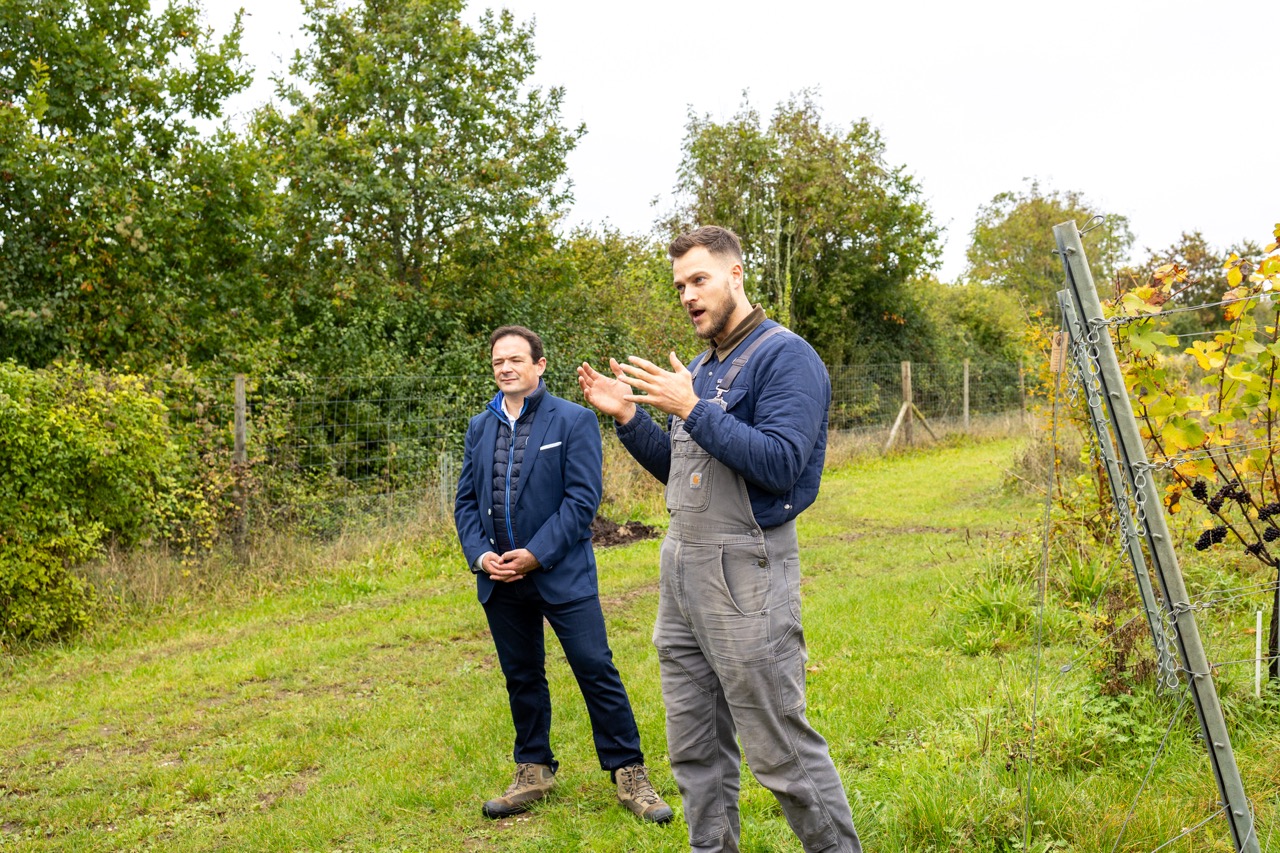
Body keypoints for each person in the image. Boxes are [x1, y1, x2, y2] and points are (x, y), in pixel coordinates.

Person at [577, 227, 862, 853]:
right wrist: (629, 417)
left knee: (780, 748)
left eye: (699, 280)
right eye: (679, 285)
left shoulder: (785, 357)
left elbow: (783, 462)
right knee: (695, 747)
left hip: (745, 573)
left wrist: (694, 409)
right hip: (682, 572)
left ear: (736, 275)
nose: (687, 295)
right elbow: (688, 469)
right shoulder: (703, 367)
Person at [454, 325, 673, 824]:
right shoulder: (479, 426)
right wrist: (479, 555)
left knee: (596, 669)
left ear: (540, 365)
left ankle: (629, 772)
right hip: (500, 577)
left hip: (562, 573)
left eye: (515, 359)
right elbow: (466, 501)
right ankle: (533, 769)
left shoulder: (573, 421)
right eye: (497, 362)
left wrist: (536, 553)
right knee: (521, 676)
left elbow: (581, 502)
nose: (505, 368)